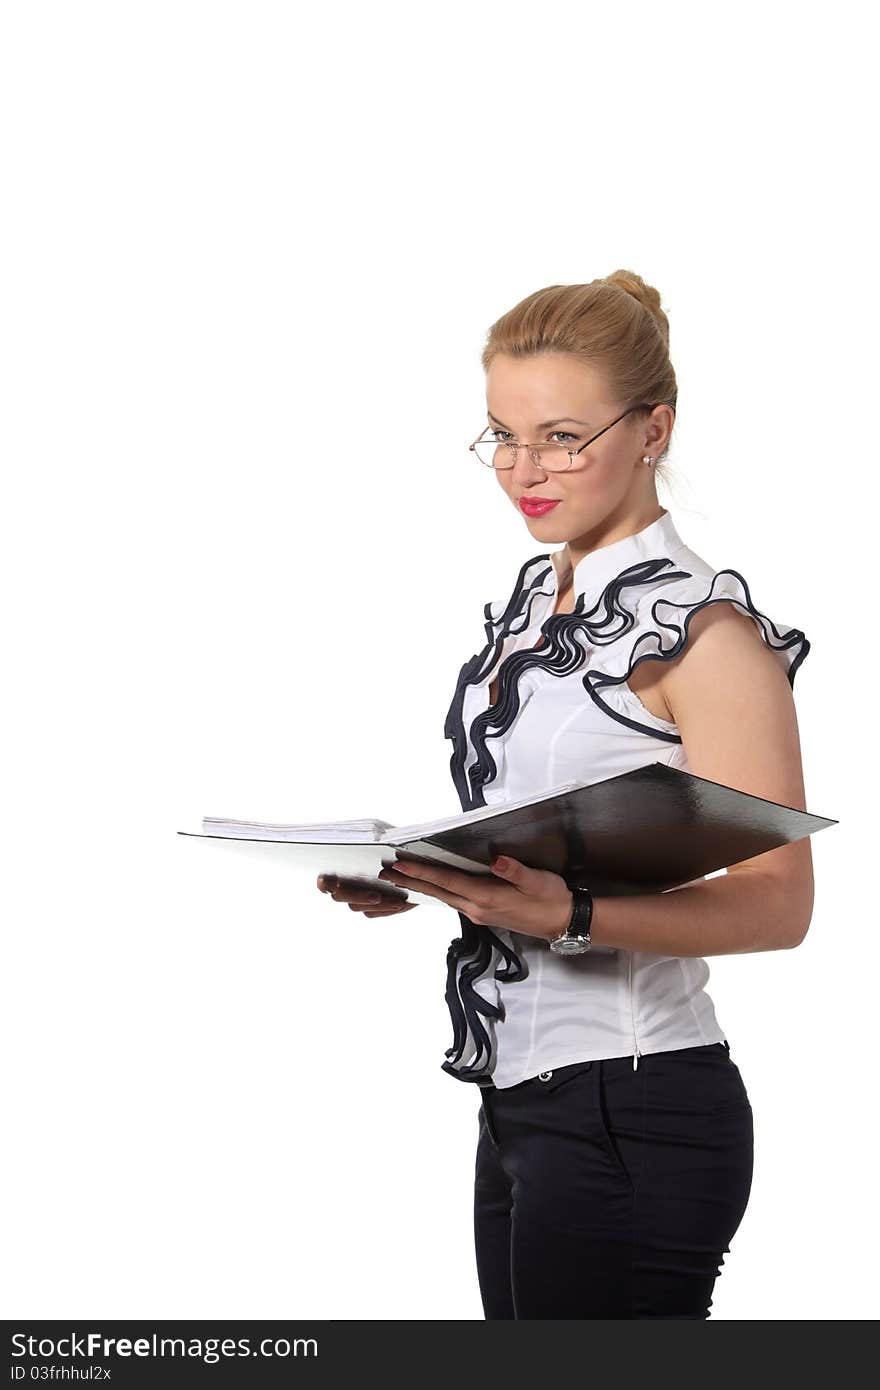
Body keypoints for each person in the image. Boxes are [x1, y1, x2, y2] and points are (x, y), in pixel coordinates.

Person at [316, 270, 813, 1320]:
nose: (520, 470)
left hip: (633, 1104)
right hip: (523, 1103)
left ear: (652, 429)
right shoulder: (542, 601)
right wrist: (428, 875)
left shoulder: (705, 636)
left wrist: (569, 915)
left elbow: (779, 905)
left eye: (561, 437)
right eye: (500, 434)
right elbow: (563, 837)